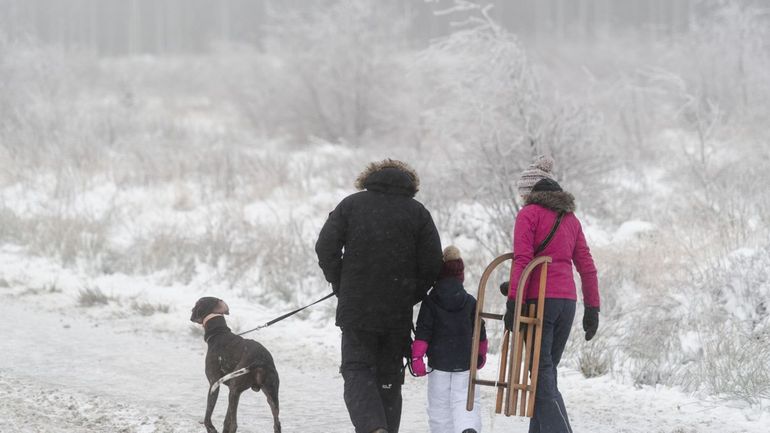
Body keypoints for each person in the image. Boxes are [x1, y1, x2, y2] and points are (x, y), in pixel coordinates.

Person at [315, 158, 443, 433]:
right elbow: (433, 264)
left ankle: (373, 428)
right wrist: (409, 293)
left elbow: (325, 247)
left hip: (357, 309)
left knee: (357, 369)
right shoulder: (417, 213)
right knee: (389, 376)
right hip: (395, 312)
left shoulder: (351, 205)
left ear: (368, 178)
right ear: (411, 184)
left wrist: (342, 283)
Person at [504, 155, 600, 433]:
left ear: (531, 193)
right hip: (566, 303)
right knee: (546, 371)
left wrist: (513, 301)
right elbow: (586, 266)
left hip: (538, 302)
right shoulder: (571, 219)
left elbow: (523, 260)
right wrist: (592, 308)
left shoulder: (528, 214)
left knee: (542, 371)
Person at [411, 245, 488, 433]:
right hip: (464, 362)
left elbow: (423, 331)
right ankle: (468, 428)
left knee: (439, 406)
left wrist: (417, 358)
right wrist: (480, 355)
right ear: (461, 275)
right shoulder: (470, 301)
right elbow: (480, 331)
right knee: (466, 401)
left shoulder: (430, 301)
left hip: (439, 365)